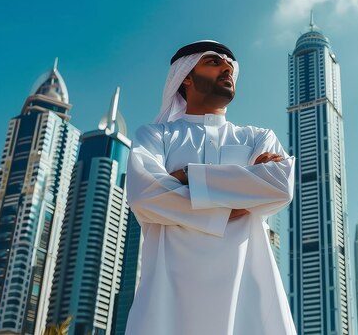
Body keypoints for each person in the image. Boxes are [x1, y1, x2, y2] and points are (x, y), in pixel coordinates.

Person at [125, 40, 296, 334]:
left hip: (248, 301)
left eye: (229, 65)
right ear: (186, 77)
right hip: (168, 300)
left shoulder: (257, 137)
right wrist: (238, 197)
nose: (227, 68)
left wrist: (187, 175)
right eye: (214, 62)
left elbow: (280, 186)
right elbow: (144, 194)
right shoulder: (156, 136)